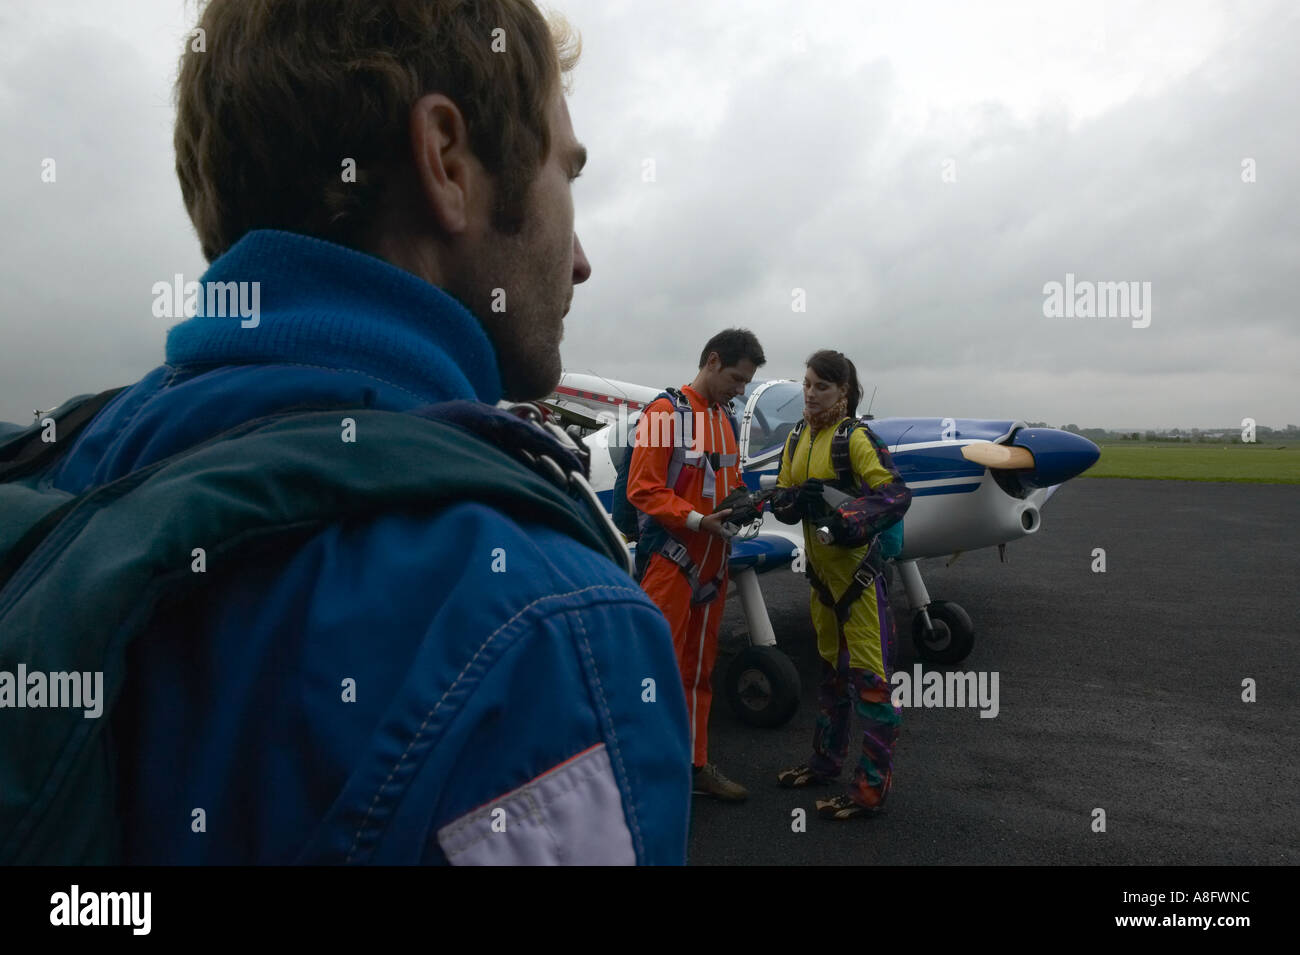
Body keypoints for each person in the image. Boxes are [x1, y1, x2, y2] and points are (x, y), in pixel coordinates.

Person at [8, 0, 690, 864]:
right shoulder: (545, 625)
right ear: (446, 160)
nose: (582, 258)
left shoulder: (78, 474)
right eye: (569, 174)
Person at [771, 350, 911, 819]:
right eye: (807, 384)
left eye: (821, 387)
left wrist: (844, 518)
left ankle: (870, 791)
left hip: (859, 583)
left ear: (844, 392)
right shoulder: (797, 438)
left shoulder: (855, 438)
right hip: (822, 584)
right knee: (831, 678)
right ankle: (826, 763)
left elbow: (894, 495)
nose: (810, 393)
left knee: (870, 685)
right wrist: (791, 502)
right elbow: (784, 495)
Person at [626, 329, 765, 801]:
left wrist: (750, 502)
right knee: (654, 671)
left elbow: (732, 479)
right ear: (711, 361)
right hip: (672, 562)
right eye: (735, 378)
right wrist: (698, 520)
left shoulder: (725, 418)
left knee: (699, 671)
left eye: (746, 383)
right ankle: (642, 778)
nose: (740, 390)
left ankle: (693, 764)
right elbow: (642, 489)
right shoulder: (665, 415)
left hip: (713, 564)